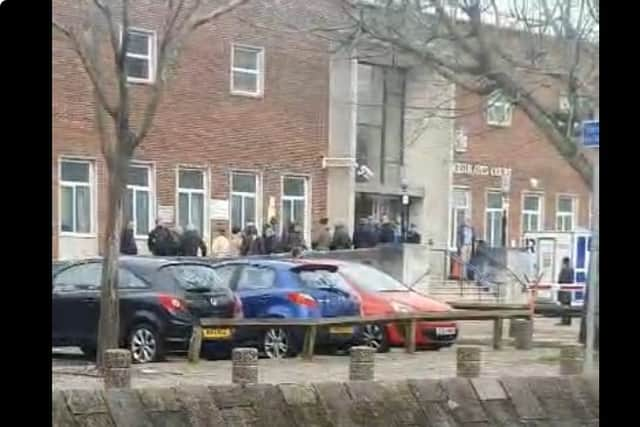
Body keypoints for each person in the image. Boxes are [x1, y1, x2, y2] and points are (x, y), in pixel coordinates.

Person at [557, 257, 575, 326]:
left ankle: (564, 320)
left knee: (564, 306)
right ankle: (568, 320)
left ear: (564, 262)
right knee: (568, 305)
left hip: (564, 290)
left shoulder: (564, 270)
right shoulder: (571, 269)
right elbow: (572, 279)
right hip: (569, 290)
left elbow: (560, 280)